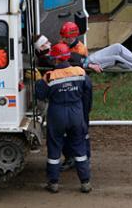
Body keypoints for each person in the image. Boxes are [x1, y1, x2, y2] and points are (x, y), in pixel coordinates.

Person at [35, 42, 92, 193]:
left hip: (57, 114)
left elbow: (39, 94)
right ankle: (85, 182)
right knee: (79, 147)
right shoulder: (80, 72)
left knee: (54, 148)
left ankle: (53, 183)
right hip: (76, 113)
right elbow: (88, 91)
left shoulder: (49, 76)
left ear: (55, 59)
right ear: (68, 56)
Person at [59, 22, 132, 72]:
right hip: (87, 66)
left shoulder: (78, 46)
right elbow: (71, 63)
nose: (70, 39)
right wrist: (88, 65)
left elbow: (81, 58)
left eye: (72, 37)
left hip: (88, 60)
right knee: (116, 59)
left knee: (117, 47)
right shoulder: (61, 48)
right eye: (67, 37)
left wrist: (87, 63)